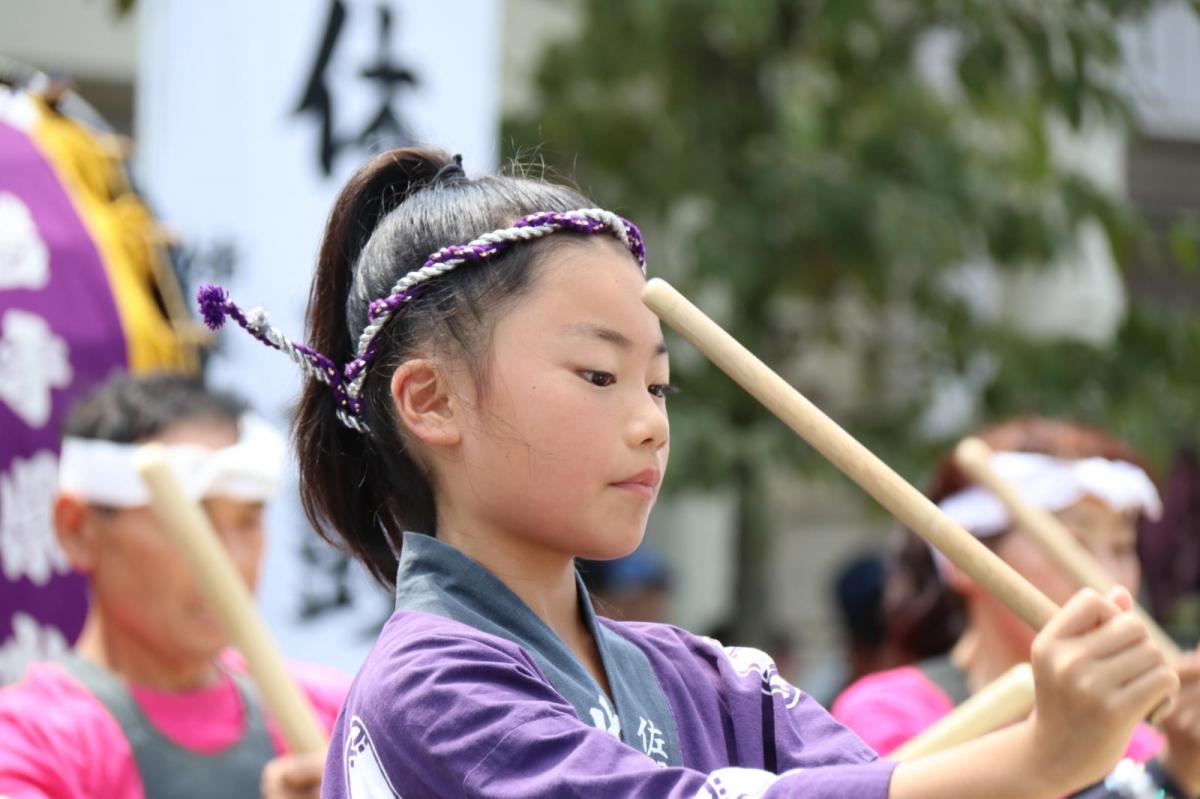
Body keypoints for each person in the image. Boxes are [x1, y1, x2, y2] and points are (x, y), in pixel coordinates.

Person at [202, 148, 1183, 798]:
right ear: (429, 401)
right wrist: (1040, 750)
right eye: (598, 375)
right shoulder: (429, 691)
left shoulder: (707, 678)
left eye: (659, 385)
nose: (647, 425)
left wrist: (1141, 764)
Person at [0, 373, 351, 799]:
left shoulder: (341, 713)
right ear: (77, 529)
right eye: (191, 521)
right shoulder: (28, 745)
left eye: (248, 520)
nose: (232, 559)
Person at [832, 417, 1200, 794]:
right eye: (1073, 543)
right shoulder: (886, 714)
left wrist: (1183, 772)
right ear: (963, 558)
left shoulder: (1134, 739)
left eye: (1122, 547)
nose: (1106, 577)